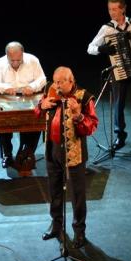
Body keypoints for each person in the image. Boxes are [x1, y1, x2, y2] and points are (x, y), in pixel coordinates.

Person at [36, 66, 98, 249]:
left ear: (71, 81)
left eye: (61, 82)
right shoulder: (50, 90)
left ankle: (79, 232)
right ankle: (56, 225)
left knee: (77, 195)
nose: (57, 85)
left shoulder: (84, 97)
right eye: (55, 81)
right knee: (54, 191)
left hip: (74, 154)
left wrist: (78, 115)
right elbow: (37, 112)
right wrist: (41, 105)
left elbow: (92, 127)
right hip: (52, 149)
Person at [87, 0, 131, 151]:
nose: (111, 13)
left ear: (123, 9)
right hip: (118, 71)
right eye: (109, 9)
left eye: (115, 9)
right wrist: (101, 48)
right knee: (118, 106)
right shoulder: (106, 29)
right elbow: (90, 48)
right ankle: (120, 137)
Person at [0, 41, 47, 168]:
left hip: (29, 98)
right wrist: (5, 87)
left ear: (23, 55)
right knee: (3, 122)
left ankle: (27, 152)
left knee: (36, 119)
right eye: (12, 60)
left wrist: (32, 86)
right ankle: (7, 154)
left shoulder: (32, 60)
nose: (15, 63)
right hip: (8, 100)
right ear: (7, 56)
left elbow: (42, 79)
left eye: (18, 60)